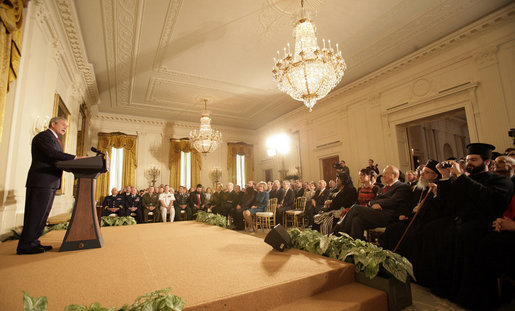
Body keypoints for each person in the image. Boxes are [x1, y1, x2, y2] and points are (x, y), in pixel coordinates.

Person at [421, 143, 513, 307]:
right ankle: (441, 286)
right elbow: (446, 205)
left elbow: (491, 201)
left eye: (474, 160)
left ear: (486, 162)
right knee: (431, 230)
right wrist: (444, 177)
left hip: (484, 223)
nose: (469, 163)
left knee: (464, 234)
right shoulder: (462, 180)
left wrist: (462, 177)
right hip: (460, 220)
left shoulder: (500, 180)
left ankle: (468, 296)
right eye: (468, 159)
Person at [17, 116, 77, 255]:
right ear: (53, 124)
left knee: (42, 215)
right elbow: (52, 154)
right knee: (35, 214)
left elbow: (57, 158)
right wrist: (74, 158)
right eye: (63, 124)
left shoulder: (55, 140)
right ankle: (25, 245)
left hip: (49, 182)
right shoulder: (43, 137)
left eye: (67, 126)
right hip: (41, 182)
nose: (65, 128)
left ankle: (34, 242)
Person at [333, 165, 411, 240]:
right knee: (356, 220)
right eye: (383, 173)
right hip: (376, 213)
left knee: (355, 208)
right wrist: (375, 203)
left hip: (388, 215)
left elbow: (392, 200)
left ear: (395, 175)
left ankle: (337, 233)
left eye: (386, 173)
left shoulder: (402, 186)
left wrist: (373, 204)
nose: (383, 175)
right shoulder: (383, 188)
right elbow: (376, 199)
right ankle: (356, 247)